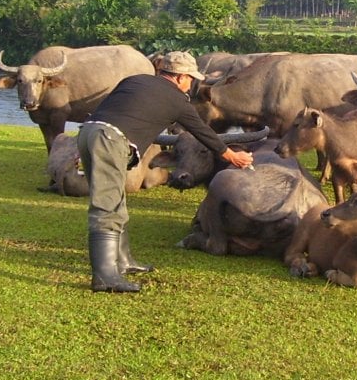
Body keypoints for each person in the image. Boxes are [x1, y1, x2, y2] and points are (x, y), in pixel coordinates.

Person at [76, 50, 254, 293]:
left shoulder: (134, 80)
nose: (191, 84)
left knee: (116, 199)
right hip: (110, 139)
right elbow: (203, 133)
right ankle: (105, 277)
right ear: (180, 77)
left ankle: (123, 261)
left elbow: (114, 108)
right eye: (190, 78)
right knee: (106, 205)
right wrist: (233, 156)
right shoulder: (177, 100)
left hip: (89, 132)